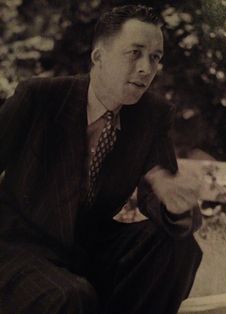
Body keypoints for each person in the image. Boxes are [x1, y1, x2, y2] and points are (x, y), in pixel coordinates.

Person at [0, 5, 202, 314]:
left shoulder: (153, 115)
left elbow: (160, 194)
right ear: (98, 57)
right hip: (19, 246)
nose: (146, 68)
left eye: (155, 57)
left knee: (178, 247)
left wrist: (176, 206)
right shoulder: (39, 98)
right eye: (134, 53)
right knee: (69, 297)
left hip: (89, 246)